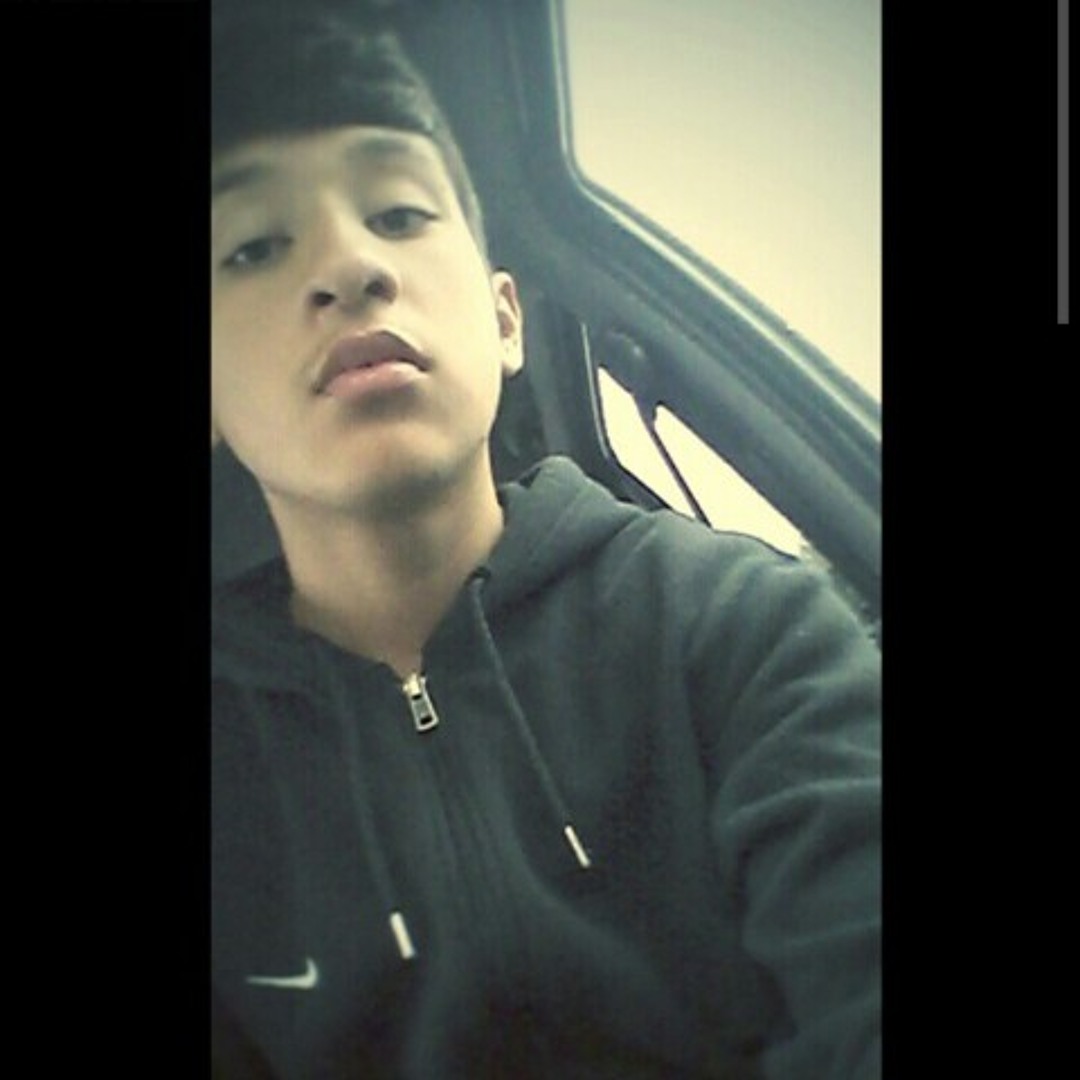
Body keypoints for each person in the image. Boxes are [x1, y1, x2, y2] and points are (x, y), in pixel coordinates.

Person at [211, 5, 882, 1078]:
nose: (348, 264)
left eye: (398, 211)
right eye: (253, 245)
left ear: (506, 319)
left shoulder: (738, 626)